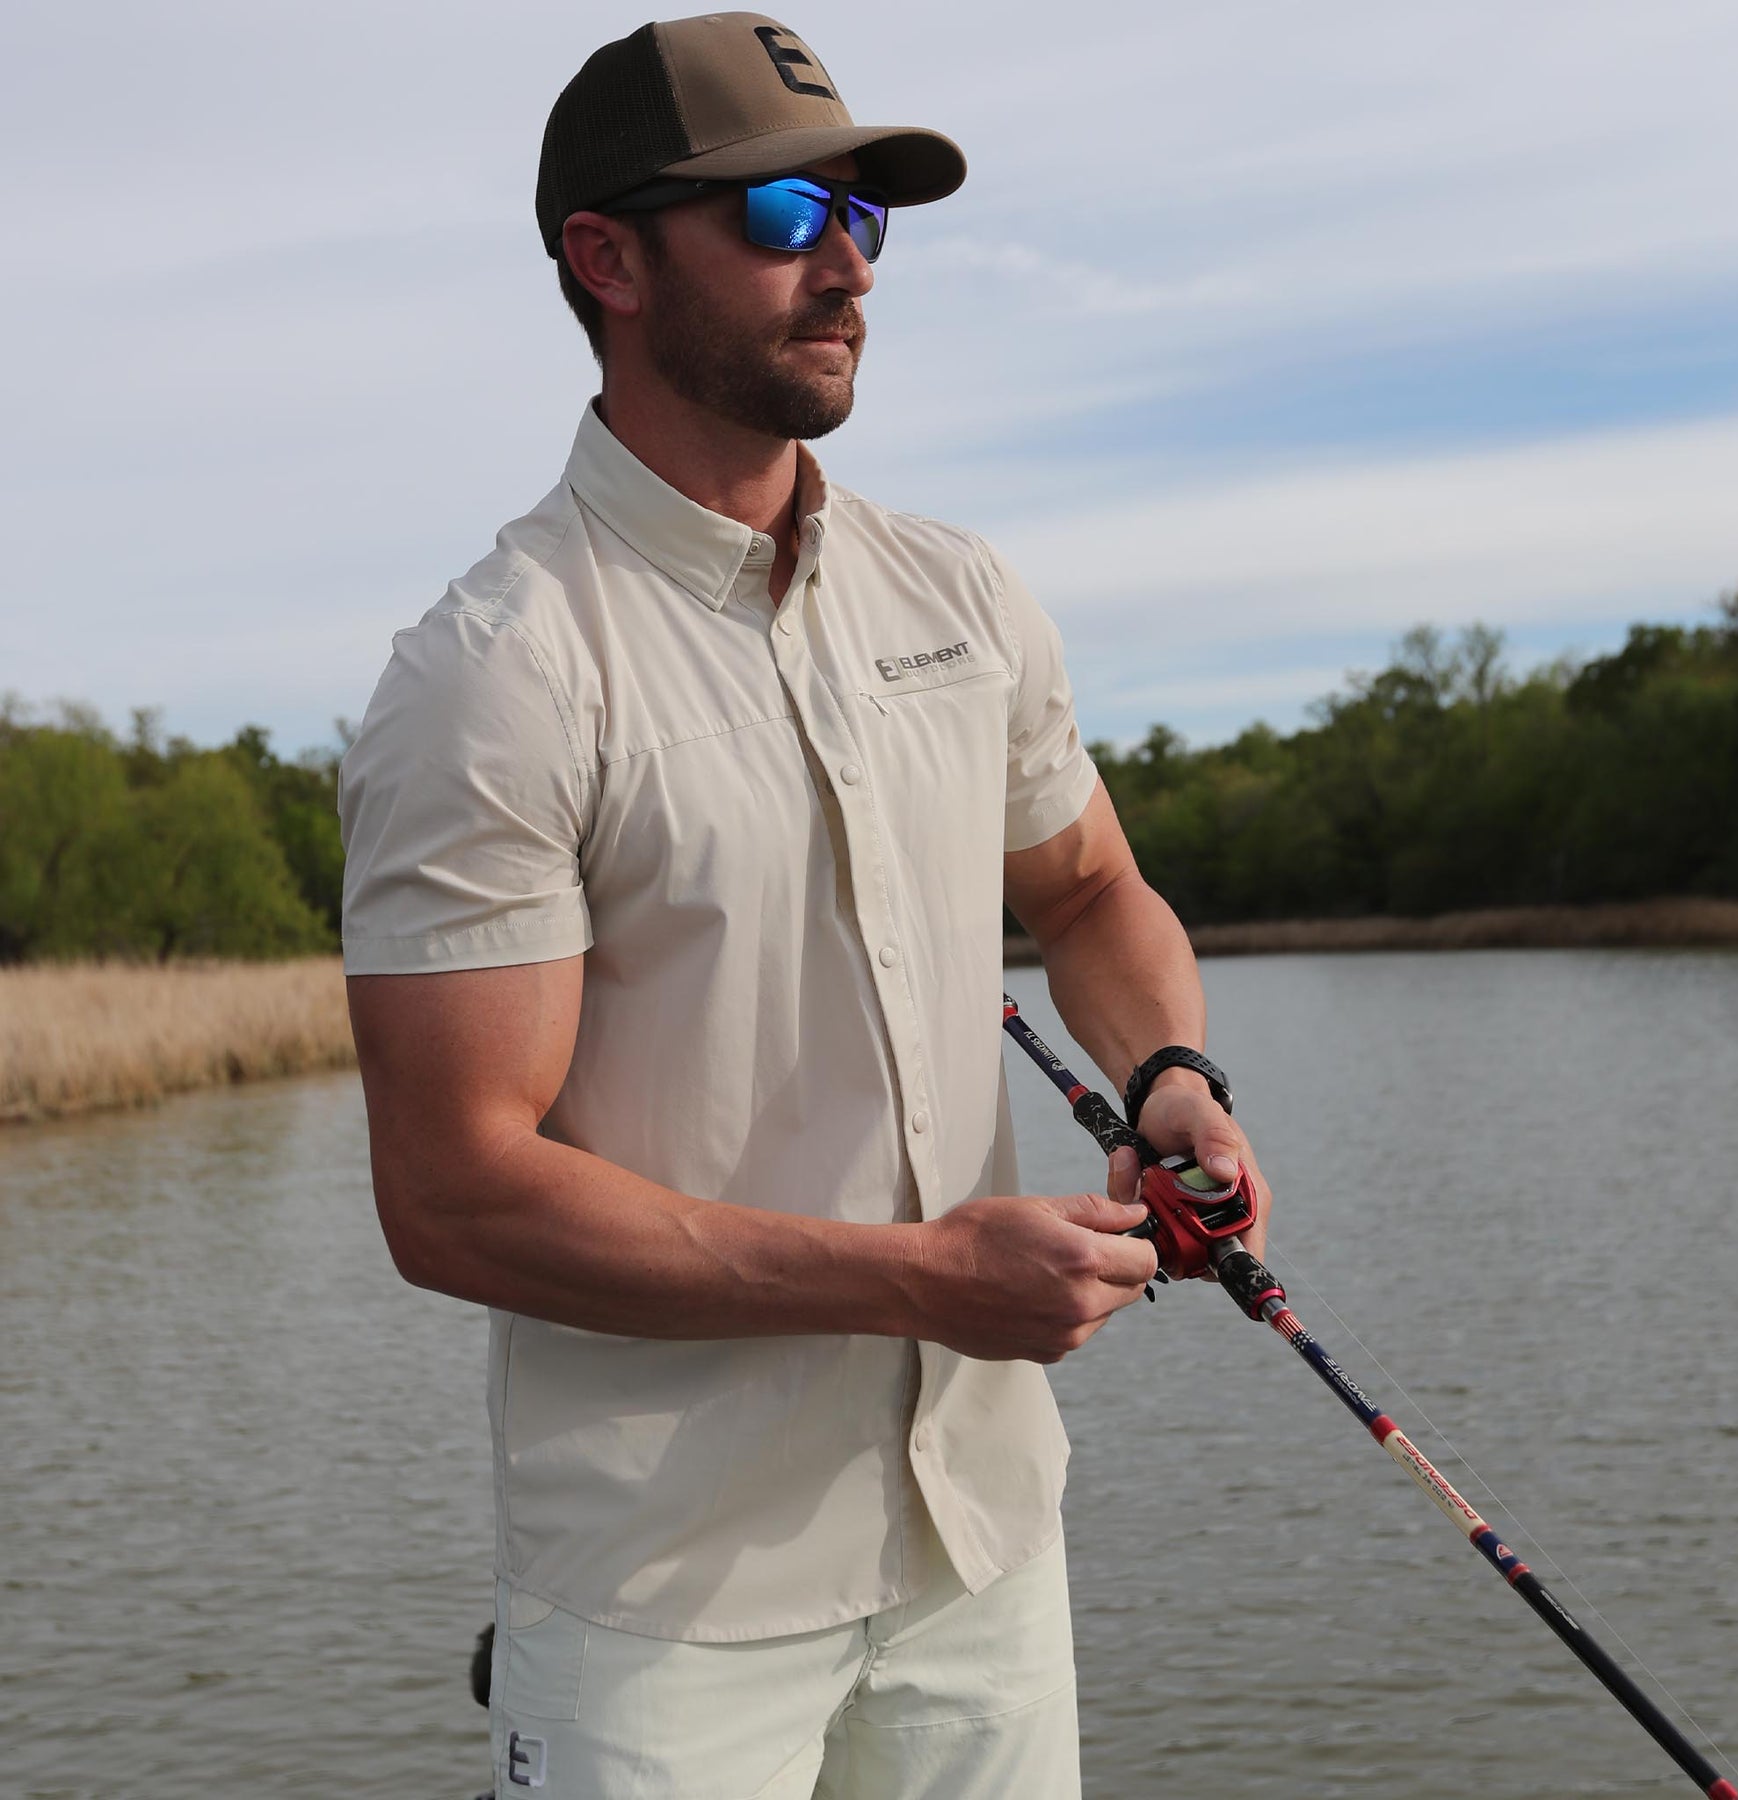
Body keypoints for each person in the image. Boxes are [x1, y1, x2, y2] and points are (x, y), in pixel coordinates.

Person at [338, 13, 1270, 1797]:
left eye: (863, 213)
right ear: (607, 260)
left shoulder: (963, 595)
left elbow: (1091, 888)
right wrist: (926, 1280)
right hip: (666, 1613)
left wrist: (1169, 1080)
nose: (847, 264)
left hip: (986, 1544)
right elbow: (454, 1197)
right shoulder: (493, 675)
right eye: (780, 212)